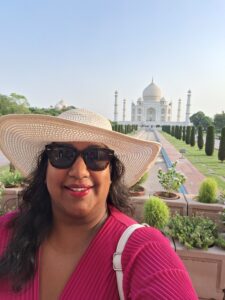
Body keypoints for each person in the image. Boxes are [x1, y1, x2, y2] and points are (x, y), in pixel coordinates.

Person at [0, 108, 198, 299]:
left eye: (96, 156)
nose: (79, 172)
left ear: (112, 173)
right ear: (45, 169)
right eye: (62, 154)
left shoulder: (145, 251)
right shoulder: (6, 232)